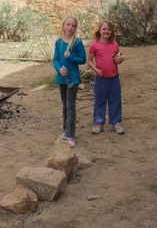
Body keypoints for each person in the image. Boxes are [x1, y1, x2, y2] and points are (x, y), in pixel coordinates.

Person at [53, 15, 87, 148]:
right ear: (63, 25)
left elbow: (83, 59)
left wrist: (71, 57)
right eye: (68, 25)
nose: (70, 28)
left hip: (73, 78)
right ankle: (65, 130)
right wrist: (59, 69)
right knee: (64, 105)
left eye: (73, 26)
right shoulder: (59, 42)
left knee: (70, 105)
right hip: (62, 78)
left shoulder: (77, 42)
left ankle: (71, 134)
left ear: (75, 28)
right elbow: (56, 59)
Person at [87, 20, 125, 135]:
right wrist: (95, 69)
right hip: (100, 79)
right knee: (100, 101)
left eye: (109, 29)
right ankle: (99, 123)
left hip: (114, 78)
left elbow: (118, 58)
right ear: (99, 30)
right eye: (104, 29)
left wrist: (120, 59)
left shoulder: (115, 45)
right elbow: (89, 61)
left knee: (115, 100)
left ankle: (115, 122)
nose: (106, 31)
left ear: (112, 31)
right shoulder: (94, 45)